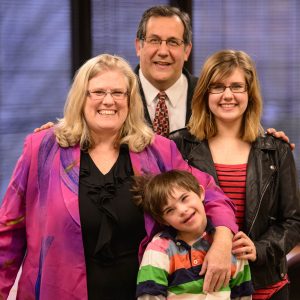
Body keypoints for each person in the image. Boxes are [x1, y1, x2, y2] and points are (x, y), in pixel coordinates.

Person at [0, 53, 238, 299]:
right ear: (81, 98)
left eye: (118, 93)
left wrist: (222, 241)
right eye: (98, 92)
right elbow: (7, 235)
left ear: (130, 100)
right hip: (57, 291)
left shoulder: (158, 151)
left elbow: (210, 194)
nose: (108, 101)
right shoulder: (42, 149)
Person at [169, 49, 300, 300]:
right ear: (205, 93)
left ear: (250, 94)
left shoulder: (276, 149)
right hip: (197, 286)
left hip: (265, 286)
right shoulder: (178, 146)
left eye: (237, 87)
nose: (227, 95)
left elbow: (293, 220)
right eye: (217, 87)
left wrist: (260, 249)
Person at [134, 5, 294, 148]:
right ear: (138, 46)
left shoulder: (211, 94)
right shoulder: (117, 95)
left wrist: (273, 148)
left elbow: (242, 136)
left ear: (187, 51)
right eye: (154, 40)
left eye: (173, 42)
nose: (163, 51)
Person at [132, 170, 254, 299]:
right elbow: (149, 296)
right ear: (163, 221)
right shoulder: (159, 250)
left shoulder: (229, 243)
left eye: (184, 198)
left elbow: (243, 294)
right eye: (170, 210)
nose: (182, 210)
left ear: (201, 193)